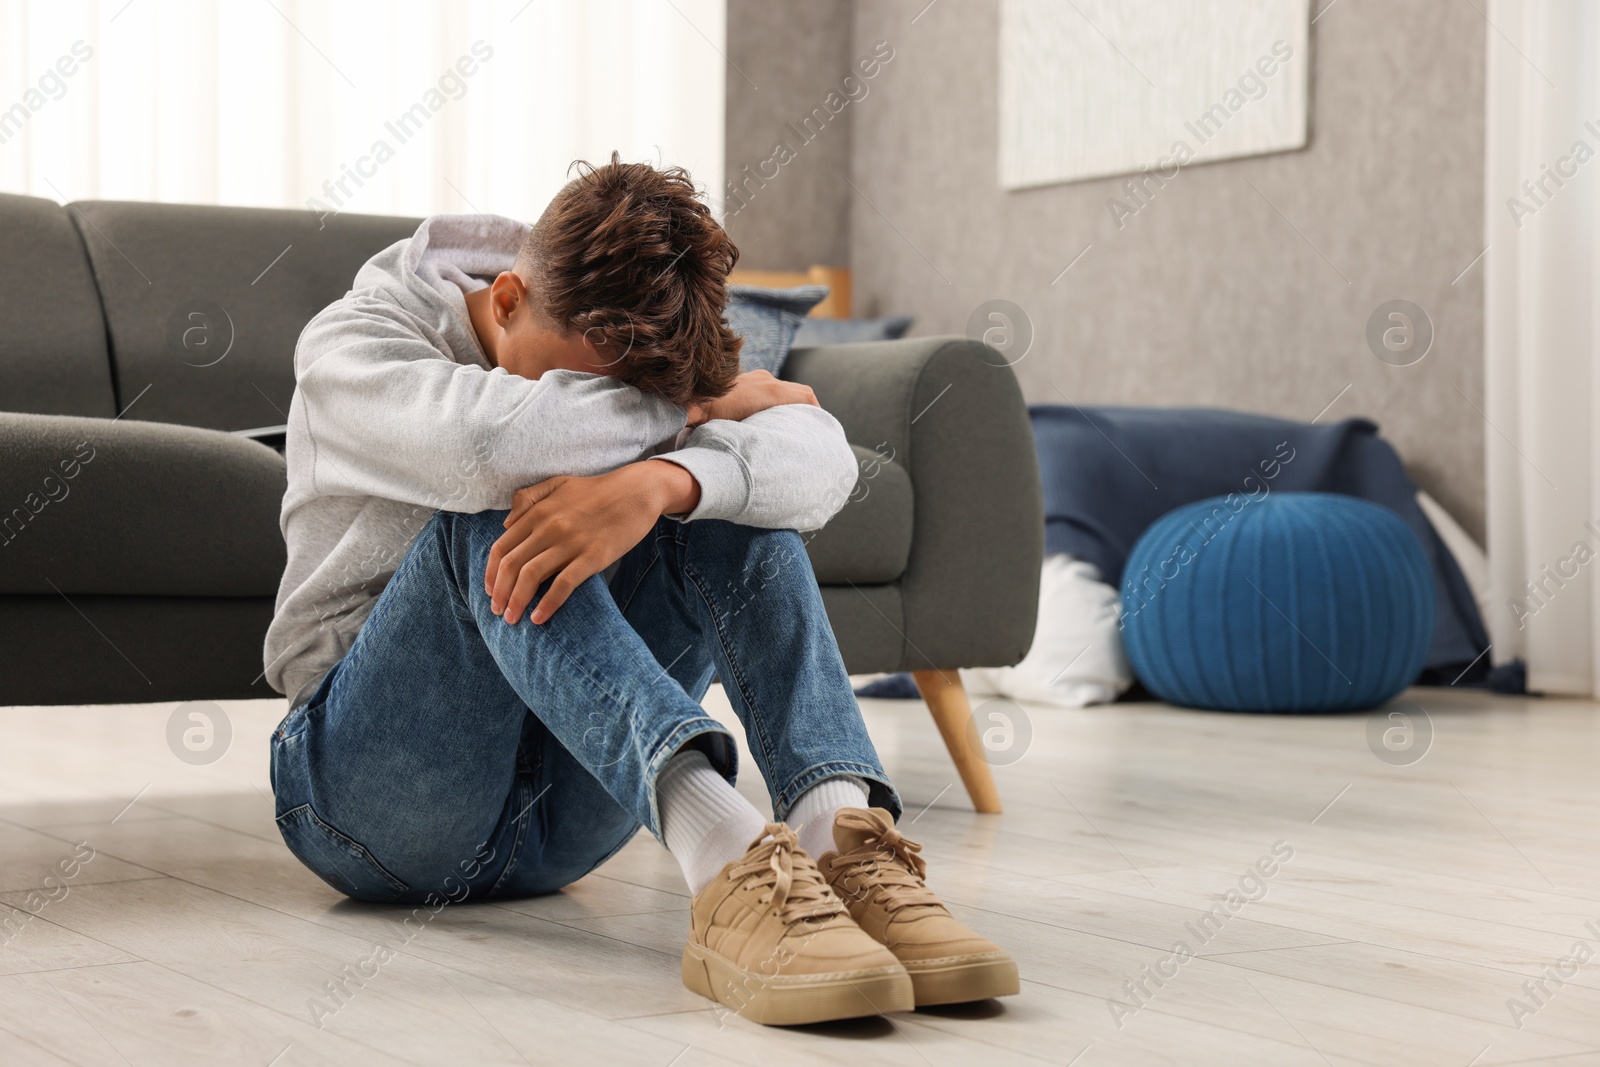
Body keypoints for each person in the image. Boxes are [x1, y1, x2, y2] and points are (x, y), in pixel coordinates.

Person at [263, 154, 1017, 1025]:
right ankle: (728, 859)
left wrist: (665, 485)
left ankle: (839, 838)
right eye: (578, 387)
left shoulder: (603, 351)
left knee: (726, 497)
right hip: (363, 799)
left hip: (569, 818)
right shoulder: (353, 340)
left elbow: (823, 463)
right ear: (505, 301)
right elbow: (486, 448)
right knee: (516, 499)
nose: (597, 414)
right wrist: (692, 415)